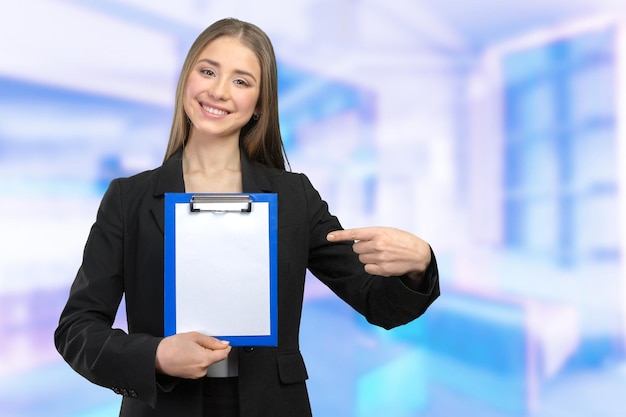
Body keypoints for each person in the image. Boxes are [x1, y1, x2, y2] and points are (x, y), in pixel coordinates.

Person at [54, 17, 440, 417]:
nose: (219, 91)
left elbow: (379, 304)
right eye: (208, 71)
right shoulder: (129, 199)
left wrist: (419, 266)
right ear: (187, 79)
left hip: (273, 405)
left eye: (242, 81)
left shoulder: (294, 197)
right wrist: (156, 355)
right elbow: (77, 329)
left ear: (259, 104)